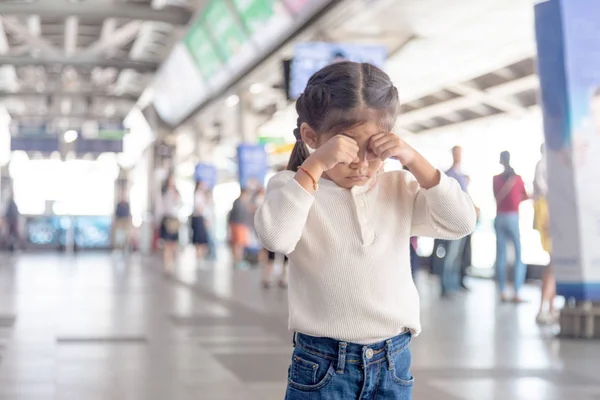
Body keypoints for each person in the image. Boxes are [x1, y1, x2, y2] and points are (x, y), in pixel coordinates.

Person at [254, 61, 476, 399]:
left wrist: (413, 159)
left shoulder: (398, 186)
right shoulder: (291, 187)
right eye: (346, 151)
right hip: (322, 365)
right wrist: (315, 165)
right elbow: (276, 237)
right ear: (312, 136)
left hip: (393, 361)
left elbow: (461, 222)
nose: (361, 164)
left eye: (373, 150)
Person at [493, 151, 529, 303]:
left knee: (501, 255)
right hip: (513, 217)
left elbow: (496, 196)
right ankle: (516, 292)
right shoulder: (517, 179)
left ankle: (502, 291)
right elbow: (525, 195)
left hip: (500, 216)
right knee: (519, 255)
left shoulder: (496, 179)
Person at [439, 145, 470, 296]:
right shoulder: (449, 174)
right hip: (452, 219)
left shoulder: (461, 175)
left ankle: (453, 284)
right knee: (450, 255)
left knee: (457, 255)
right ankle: (445, 285)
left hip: (462, 220)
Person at [533, 145, 557, 324]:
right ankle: (543, 308)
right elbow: (546, 193)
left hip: (552, 216)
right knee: (554, 263)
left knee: (555, 264)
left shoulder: (550, 164)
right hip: (550, 216)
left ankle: (550, 307)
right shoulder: (544, 165)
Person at [157, 173, 181, 274]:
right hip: (166, 219)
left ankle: (172, 263)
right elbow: (160, 207)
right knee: (167, 244)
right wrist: (158, 220)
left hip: (174, 219)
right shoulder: (163, 193)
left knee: (174, 245)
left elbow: (180, 206)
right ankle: (167, 265)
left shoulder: (177, 193)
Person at [228, 189, 252, 270]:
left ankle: (238, 261)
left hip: (240, 226)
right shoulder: (239, 203)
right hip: (238, 225)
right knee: (238, 245)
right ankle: (237, 261)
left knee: (239, 245)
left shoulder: (242, 203)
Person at [191, 181, 210, 265]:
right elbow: (199, 208)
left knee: (202, 240)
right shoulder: (198, 194)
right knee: (199, 240)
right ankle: (199, 258)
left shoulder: (202, 195)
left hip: (200, 218)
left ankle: (200, 257)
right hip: (198, 218)